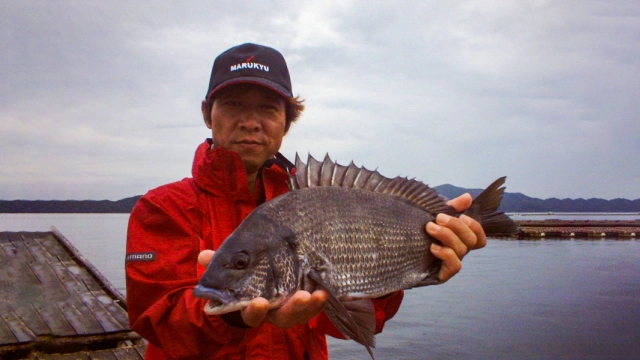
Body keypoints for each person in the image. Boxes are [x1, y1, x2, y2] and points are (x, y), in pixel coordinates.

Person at [125, 43, 487, 360]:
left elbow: (350, 323)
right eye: (234, 105)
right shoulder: (161, 208)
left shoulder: (305, 200)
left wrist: (424, 264)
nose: (251, 122)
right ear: (208, 114)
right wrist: (234, 314)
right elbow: (156, 322)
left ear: (286, 123)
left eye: (268, 108)